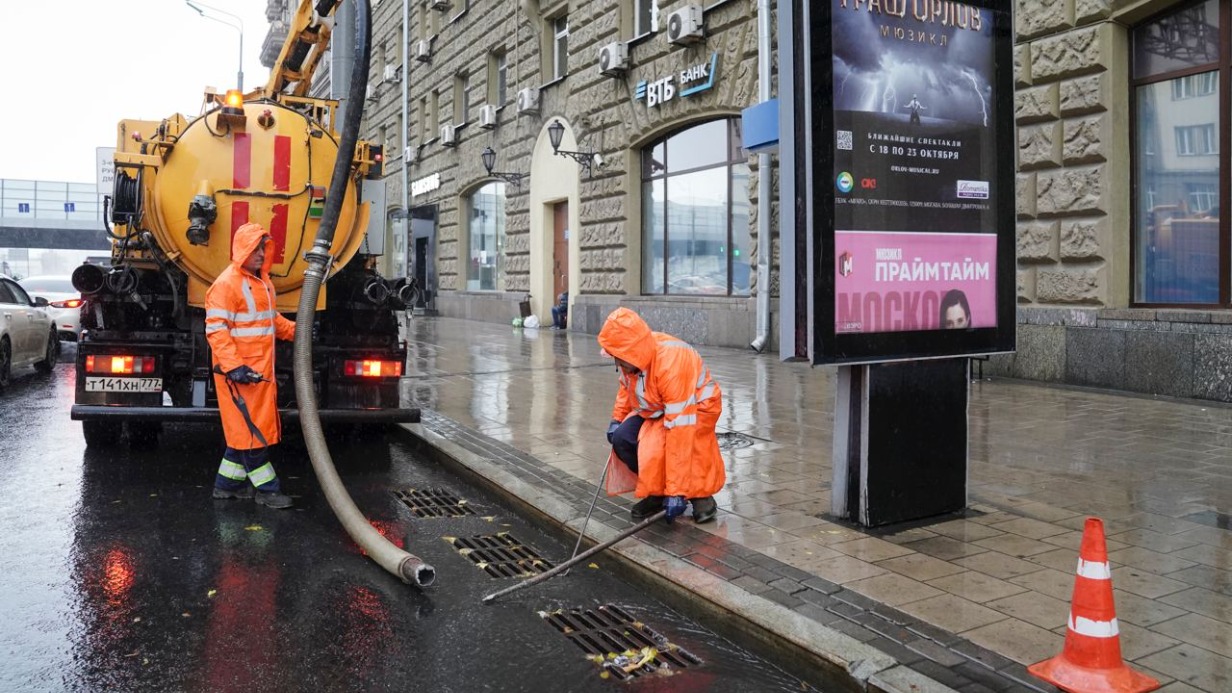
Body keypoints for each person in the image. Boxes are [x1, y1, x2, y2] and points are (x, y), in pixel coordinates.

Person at [598, 307, 724, 524]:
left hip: (698, 407)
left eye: (618, 358)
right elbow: (626, 389)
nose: (616, 363)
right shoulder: (631, 361)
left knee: (663, 447)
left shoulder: (671, 363)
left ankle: (700, 498)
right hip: (656, 408)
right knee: (623, 439)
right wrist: (616, 419)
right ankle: (657, 492)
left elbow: (680, 431)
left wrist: (677, 491)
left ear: (631, 352)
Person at [205, 222, 297, 509]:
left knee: (243, 431)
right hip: (239, 375)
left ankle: (226, 486)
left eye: (263, 248)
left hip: (257, 374)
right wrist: (234, 367)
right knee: (253, 433)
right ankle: (268, 490)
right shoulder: (226, 284)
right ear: (242, 249)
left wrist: (299, 330)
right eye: (256, 248)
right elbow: (216, 330)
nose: (260, 253)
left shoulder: (263, 283)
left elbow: (272, 321)